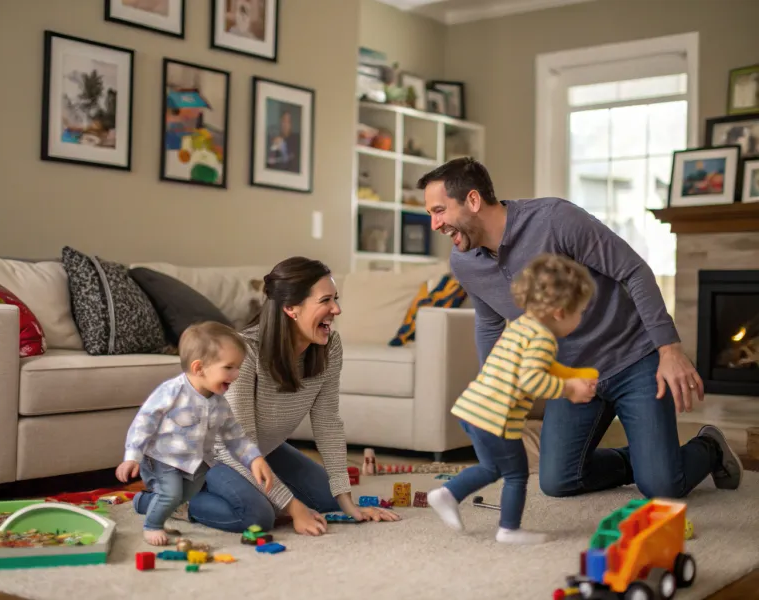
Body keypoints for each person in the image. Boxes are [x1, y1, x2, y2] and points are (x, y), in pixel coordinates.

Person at [417, 157, 743, 500]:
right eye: (430, 214)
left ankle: (708, 447)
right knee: (558, 480)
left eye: (439, 210)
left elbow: (634, 270)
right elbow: (489, 322)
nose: (435, 224)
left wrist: (669, 349)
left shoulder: (555, 220)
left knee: (663, 487)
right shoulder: (464, 262)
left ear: (472, 200)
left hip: (633, 358)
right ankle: (653, 461)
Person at [136, 257, 400, 536]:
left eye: (335, 298)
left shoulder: (329, 346)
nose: (337, 309)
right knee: (257, 516)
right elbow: (234, 447)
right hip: (206, 455)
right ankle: (168, 502)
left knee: (326, 499)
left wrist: (348, 505)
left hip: (259, 448)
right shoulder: (246, 353)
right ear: (290, 308)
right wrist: (294, 509)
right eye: (326, 301)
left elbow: (328, 423)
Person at [429, 254, 598, 544]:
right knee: (517, 473)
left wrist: (572, 375)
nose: (580, 318)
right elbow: (531, 379)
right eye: (580, 312)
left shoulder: (521, 326)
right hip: (495, 418)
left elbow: (539, 368)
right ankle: (508, 529)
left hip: (473, 410)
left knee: (491, 468)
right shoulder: (544, 339)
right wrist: (570, 389)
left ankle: (448, 494)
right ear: (559, 311)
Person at [117, 321, 274, 546]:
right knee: (171, 494)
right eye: (229, 367)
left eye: (238, 367)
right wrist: (132, 456)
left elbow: (235, 436)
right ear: (199, 368)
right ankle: (152, 525)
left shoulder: (220, 403)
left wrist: (254, 459)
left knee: (185, 496)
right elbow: (144, 422)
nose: (237, 374)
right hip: (163, 458)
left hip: (197, 462)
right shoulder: (172, 392)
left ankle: (156, 505)